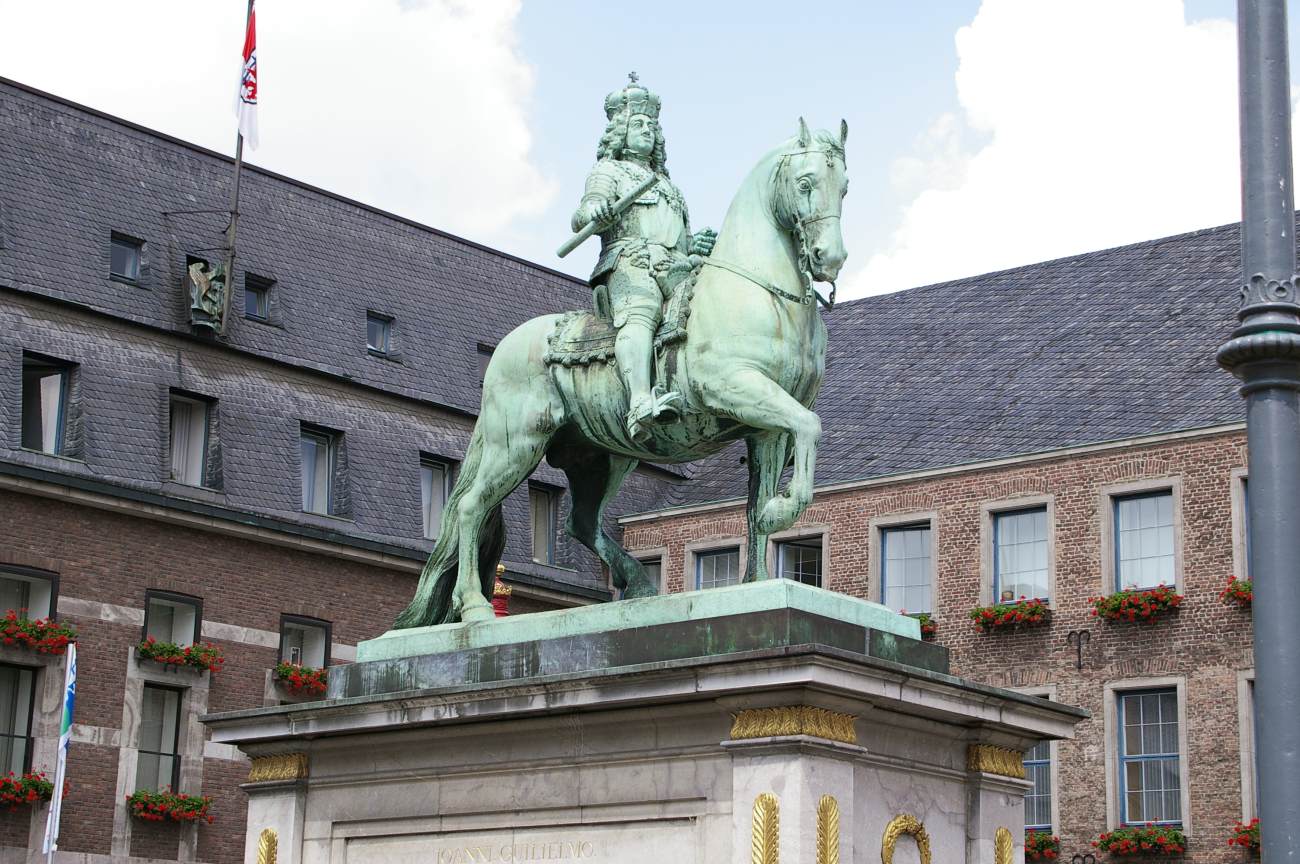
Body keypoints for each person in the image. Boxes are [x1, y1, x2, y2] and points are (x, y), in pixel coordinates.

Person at [572, 74, 715, 442]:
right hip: (629, 263)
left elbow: (680, 241)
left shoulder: (670, 187)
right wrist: (597, 211)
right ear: (620, 132)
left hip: (675, 266)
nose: (647, 130)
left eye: (652, 125)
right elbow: (582, 214)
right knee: (644, 310)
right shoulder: (609, 171)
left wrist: (695, 246)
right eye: (638, 124)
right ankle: (639, 402)